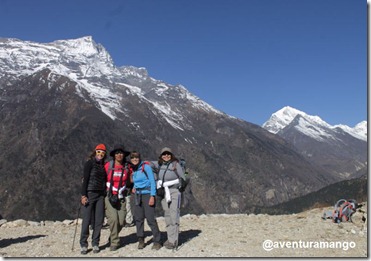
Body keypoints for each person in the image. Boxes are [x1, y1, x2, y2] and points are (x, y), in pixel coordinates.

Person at [153, 147, 186, 250]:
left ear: (171, 155)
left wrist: (179, 188)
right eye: (164, 154)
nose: (166, 156)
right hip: (164, 193)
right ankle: (169, 238)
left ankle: (173, 240)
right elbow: (150, 165)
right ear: (161, 156)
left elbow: (183, 178)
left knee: (174, 215)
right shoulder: (160, 165)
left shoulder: (176, 165)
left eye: (168, 154)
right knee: (167, 215)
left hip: (174, 192)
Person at [129, 151, 162, 250]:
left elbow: (152, 181)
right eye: (133, 158)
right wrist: (134, 187)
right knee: (138, 218)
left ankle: (157, 241)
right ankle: (141, 240)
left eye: (136, 157)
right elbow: (136, 181)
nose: (135, 159)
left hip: (147, 194)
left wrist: (152, 196)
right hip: (138, 195)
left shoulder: (145, 167)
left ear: (139, 158)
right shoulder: (133, 169)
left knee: (150, 218)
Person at [79, 143, 107, 255]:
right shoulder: (89, 163)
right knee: (86, 220)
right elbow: (85, 180)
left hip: (100, 195)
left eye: (103, 153)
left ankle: (95, 242)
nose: (100, 154)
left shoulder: (103, 165)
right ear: (95, 152)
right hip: (90, 194)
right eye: (99, 152)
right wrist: (83, 195)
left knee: (99, 220)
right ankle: (83, 244)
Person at [104, 144, 131, 251]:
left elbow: (130, 179)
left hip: (121, 196)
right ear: (114, 155)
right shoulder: (108, 166)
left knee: (121, 221)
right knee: (114, 219)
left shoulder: (127, 167)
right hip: (110, 195)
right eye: (117, 153)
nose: (119, 155)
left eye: (121, 153)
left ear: (124, 154)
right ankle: (114, 241)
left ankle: (112, 235)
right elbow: (100, 176)